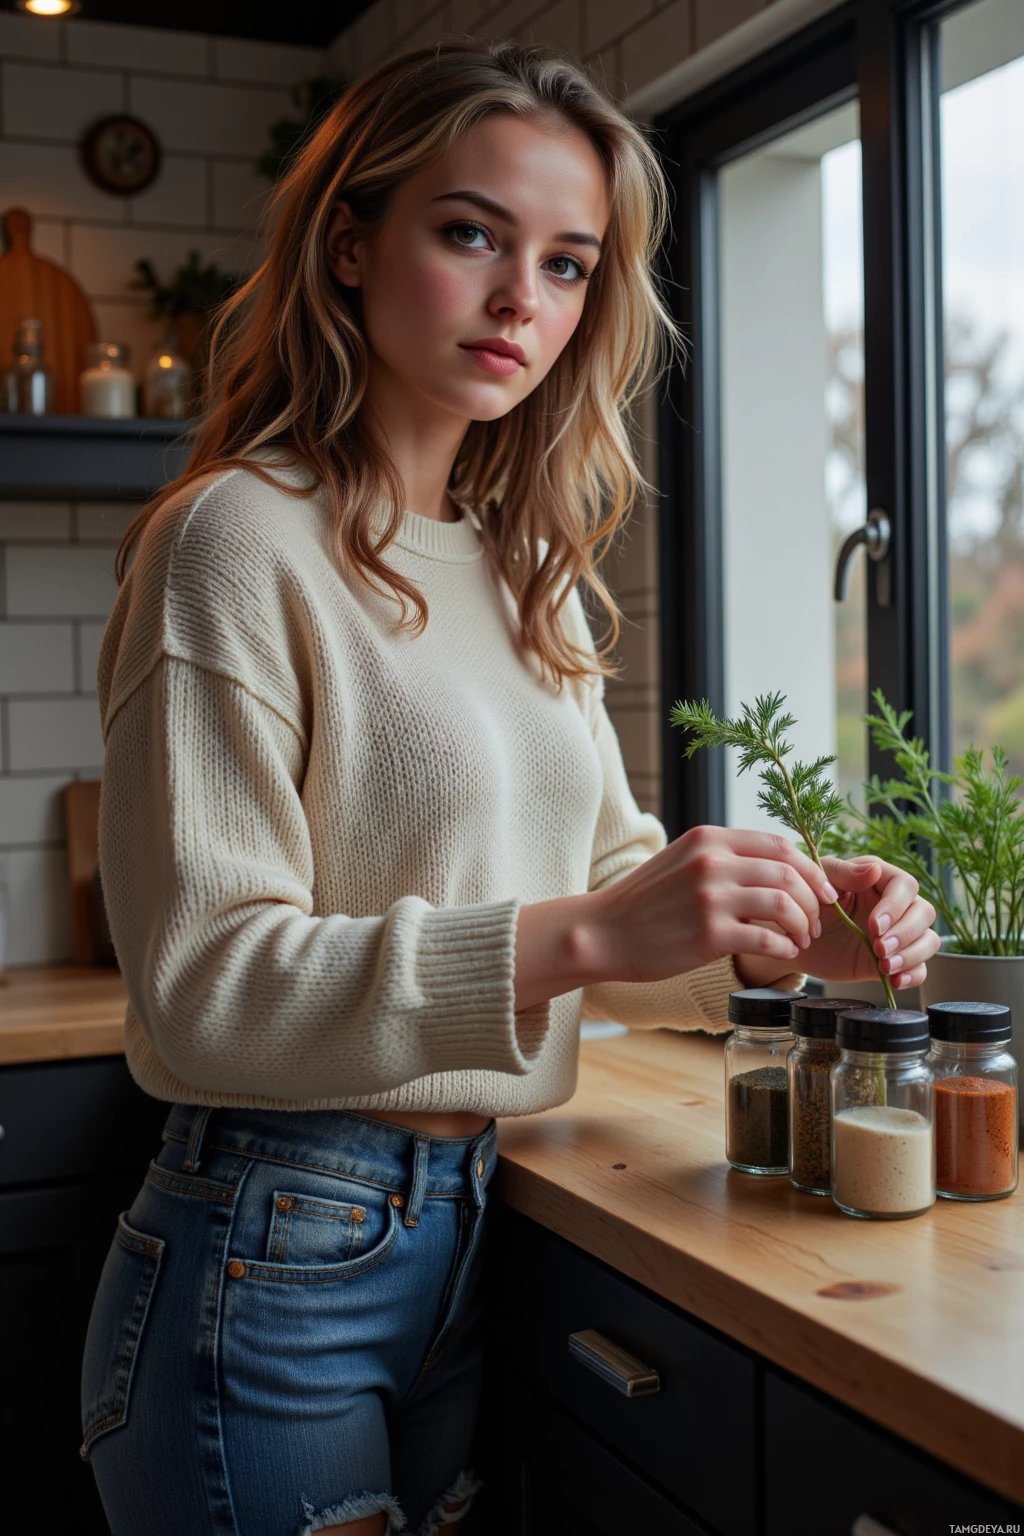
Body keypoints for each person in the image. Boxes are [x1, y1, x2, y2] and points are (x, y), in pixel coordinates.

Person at [79, 40, 939, 1536]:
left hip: (466, 1228)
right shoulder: (232, 540)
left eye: (567, 263)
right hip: (266, 1251)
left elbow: (607, 902)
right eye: (469, 232)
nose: (519, 300)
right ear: (350, 241)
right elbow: (201, 982)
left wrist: (773, 943)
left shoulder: (522, 569)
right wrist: (590, 937)